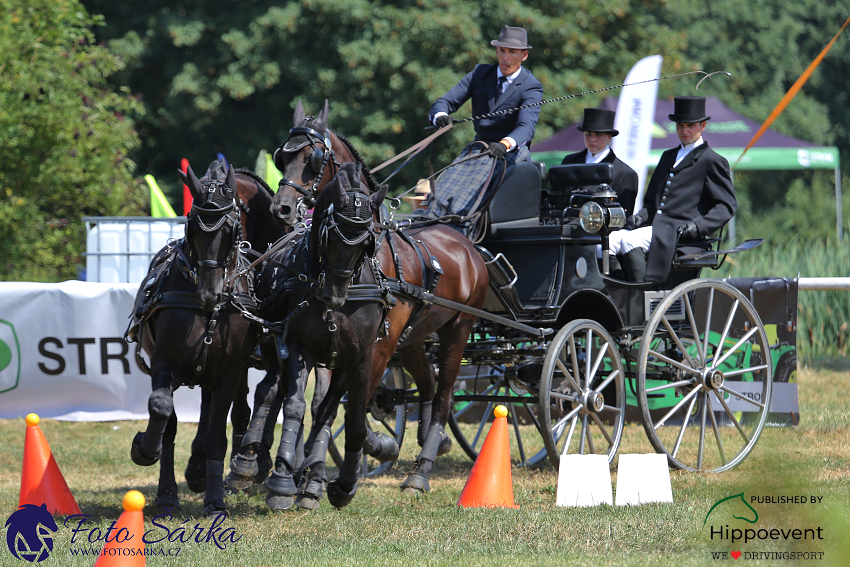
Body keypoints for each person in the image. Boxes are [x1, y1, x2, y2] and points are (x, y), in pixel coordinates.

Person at [423, 25, 543, 227]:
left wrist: (504, 144)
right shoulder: (480, 74)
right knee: (439, 197)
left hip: (510, 152)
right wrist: (442, 116)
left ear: (524, 55)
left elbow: (526, 127)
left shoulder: (531, 85)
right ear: (496, 51)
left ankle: (459, 237)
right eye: (502, 51)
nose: (505, 57)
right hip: (478, 148)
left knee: (463, 203)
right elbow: (444, 102)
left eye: (512, 52)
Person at [608, 96, 737, 282]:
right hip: (656, 227)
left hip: (679, 232)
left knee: (629, 241)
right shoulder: (668, 156)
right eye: (680, 126)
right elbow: (652, 202)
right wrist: (641, 216)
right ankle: (619, 294)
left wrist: (697, 226)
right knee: (610, 241)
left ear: (702, 126)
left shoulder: (712, 160)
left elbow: (726, 207)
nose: (684, 131)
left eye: (690, 126)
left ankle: (641, 294)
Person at [560, 108, 638, 216]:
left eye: (598, 135)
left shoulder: (624, 173)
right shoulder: (569, 162)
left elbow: (623, 216)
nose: (592, 139)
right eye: (588, 134)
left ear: (609, 137)